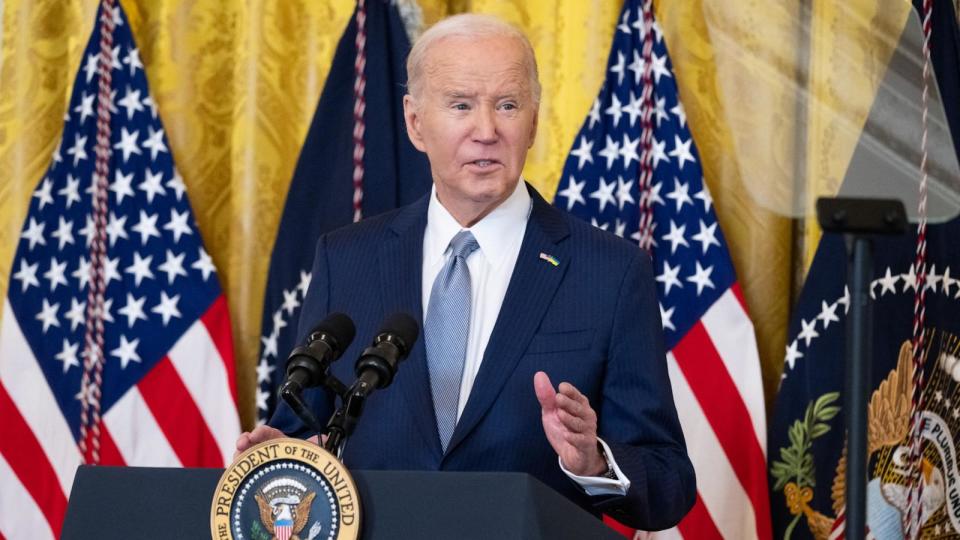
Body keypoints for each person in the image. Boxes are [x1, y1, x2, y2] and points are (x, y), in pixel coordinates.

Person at [238, 13, 695, 530]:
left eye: (507, 105)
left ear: (534, 121)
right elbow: (304, 432)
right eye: (461, 105)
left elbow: (668, 482)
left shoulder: (610, 271)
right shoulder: (346, 260)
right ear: (415, 123)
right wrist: (286, 459)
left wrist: (593, 462)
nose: (486, 131)